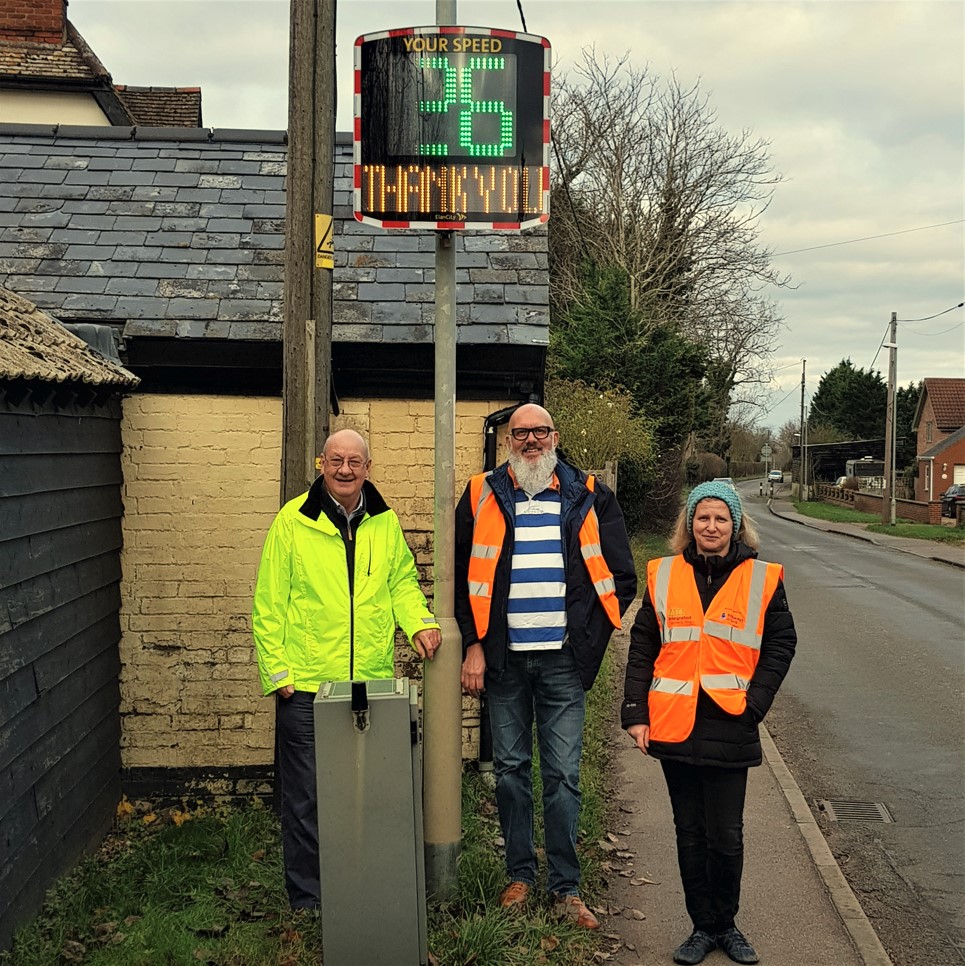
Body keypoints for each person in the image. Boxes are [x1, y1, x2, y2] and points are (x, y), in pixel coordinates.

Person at [456, 403, 637, 929]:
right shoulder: (480, 493)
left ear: (555, 437)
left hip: (563, 661)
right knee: (510, 772)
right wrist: (474, 645)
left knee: (562, 775)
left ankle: (565, 888)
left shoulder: (590, 494)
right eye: (521, 433)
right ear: (508, 441)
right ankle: (520, 875)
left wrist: (588, 642)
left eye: (539, 432)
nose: (530, 440)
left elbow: (621, 578)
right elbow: (460, 578)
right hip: (504, 661)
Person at [252, 429, 442, 910]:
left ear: (368, 468)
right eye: (336, 460)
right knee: (306, 798)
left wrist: (420, 622)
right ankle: (310, 898)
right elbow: (269, 602)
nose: (344, 470)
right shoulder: (292, 521)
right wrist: (278, 672)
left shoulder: (384, 521)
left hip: (369, 686)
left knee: (367, 792)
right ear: (322, 463)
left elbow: (401, 583)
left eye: (355, 462)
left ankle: (361, 889)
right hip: (307, 686)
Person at [621, 481, 796, 965]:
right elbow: (643, 646)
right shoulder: (663, 574)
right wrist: (635, 713)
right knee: (689, 832)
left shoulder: (762, 577)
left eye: (721, 518)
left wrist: (754, 704)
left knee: (726, 834)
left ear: (735, 526)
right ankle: (701, 927)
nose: (711, 526)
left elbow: (781, 644)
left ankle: (726, 925)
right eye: (703, 518)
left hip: (730, 721)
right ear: (689, 524)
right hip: (673, 722)